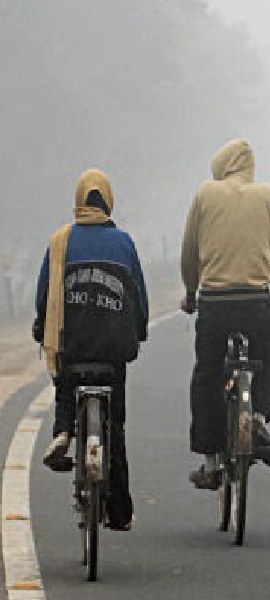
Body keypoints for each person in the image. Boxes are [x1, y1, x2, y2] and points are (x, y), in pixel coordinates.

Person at [33, 168, 148, 531]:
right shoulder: (124, 243)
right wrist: (138, 332)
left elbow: (43, 298)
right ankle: (119, 513)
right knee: (115, 429)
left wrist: (41, 329)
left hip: (75, 349)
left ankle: (63, 430)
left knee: (66, 377)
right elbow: (140, 299)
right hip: (113, 354)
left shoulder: (59, 242)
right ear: (108, 201)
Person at [180, 138, 270, 489]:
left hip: (214, 304)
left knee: (208, 375)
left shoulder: (205, 194)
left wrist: (190, 293)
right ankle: (257, 416)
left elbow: (189, 253)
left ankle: (210, 462)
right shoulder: (268, 195)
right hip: (256, 302)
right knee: (269, 361)